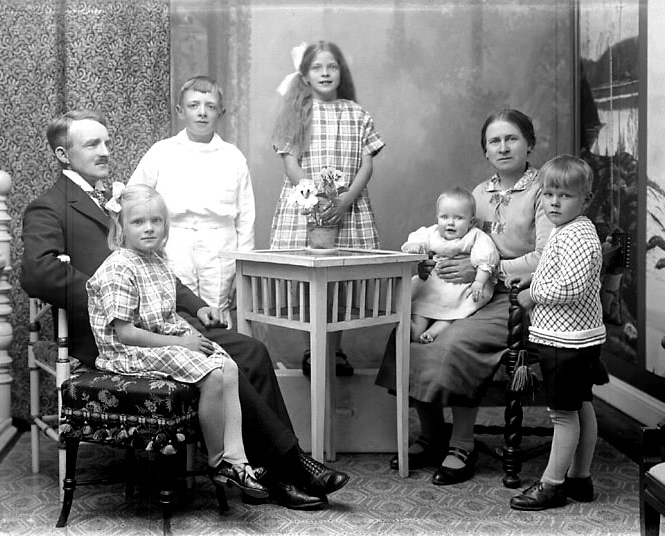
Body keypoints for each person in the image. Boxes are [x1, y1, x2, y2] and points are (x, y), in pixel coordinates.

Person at [20, 109, 349, 510]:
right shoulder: (49, 207)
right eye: (92, 144)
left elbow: (151, 267)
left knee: (251, 351)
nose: (105, 151)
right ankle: (286, 470)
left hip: (163, 324)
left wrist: (197, 305)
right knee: (223, 362)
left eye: (106, 142)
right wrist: (107, 296)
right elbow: (38, 272)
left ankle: (270, 469)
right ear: (62, 154)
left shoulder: (117, 199)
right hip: (112, 336)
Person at [376, 109, 555, 486]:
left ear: (529, 144)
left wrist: (484, 272)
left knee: (455, 343)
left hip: (517, 298)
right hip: (463, 295)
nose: (503, 147)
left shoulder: (544, 190)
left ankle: (461, 446)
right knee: (407, 336)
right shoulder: (478, 193)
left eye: (512, 139)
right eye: (494, 141)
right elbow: (455, 243)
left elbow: (545, 257)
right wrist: (434, 265)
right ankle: (432, 435)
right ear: (485, 150)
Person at [87, 183, 268, 498]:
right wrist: (182, 345)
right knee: (212, 375)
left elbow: (165, 315)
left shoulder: (156, 262)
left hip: (156, 340)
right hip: (127, 351)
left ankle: (238, 460)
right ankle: (218, 462)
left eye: (156, 221)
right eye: (138, 222)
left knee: (227, 366)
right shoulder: (118, 267)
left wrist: (188, 334)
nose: (149, 228)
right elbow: (126, 333)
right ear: (121, 226)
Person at [269, 40, 385, 376]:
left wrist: (345, 199)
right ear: (305, 75)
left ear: (340, 72)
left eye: (331, 66)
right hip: (307, 205)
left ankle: (334, 350)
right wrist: (315, 196)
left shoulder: (356, 113)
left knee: (338, 281)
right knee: (311, 281)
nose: (324, 73)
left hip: (347, 207)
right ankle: (313, 349)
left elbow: (366, 164)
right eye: (317, 67)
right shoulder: (297, 111)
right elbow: (290, 162)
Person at [506, 155, 604, 511]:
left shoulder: (576, 235)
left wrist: (532, 295)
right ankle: (580, 479)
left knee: (563, 413)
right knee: (581, 405)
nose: (554, 203)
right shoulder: (570, 229)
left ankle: (552, 485)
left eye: (565, 196)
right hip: (578, 336)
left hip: (566, 342)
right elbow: (562, 273)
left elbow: (571, 287)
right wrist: (533, 277)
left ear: (585, 199)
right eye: (548, 195)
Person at [129, 76, 254, 329]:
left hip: (220, 245)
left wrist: (243, 270)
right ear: (180, 111)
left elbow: (246, 218)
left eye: (210, 106)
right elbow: (134, 196)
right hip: (174, 241)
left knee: (217, 310)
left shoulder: (233, 157)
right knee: (178, 306)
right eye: (194, 105)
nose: (202, 112)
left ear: (221, 113)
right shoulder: (162, 152)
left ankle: (222, 353)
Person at [401, 186, 499, 344]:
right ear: (437, 217)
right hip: (433, 286)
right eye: (444, 217)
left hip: (460, 288)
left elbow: (485, 259)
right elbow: (419, 239)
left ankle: (433, 332)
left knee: (457, 310)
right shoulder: (432, 233)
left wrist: (479, 282)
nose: (450, 223)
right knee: (421, 305)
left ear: (471, 221)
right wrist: (415, 246)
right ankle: (414, 329)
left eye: (459, 218)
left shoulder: (474, 236)